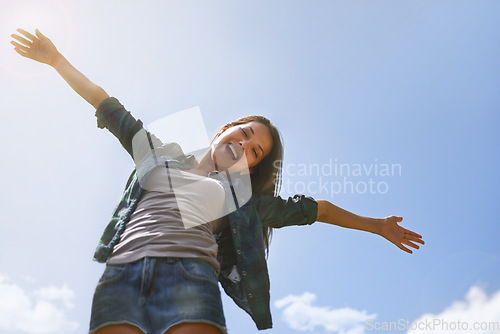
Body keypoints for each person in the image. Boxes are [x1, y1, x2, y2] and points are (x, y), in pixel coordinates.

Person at [11, 28, 425, 334]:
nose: (245, 146)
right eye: (244, 133)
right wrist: (56, 59)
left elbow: (315, 210)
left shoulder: (242, 201)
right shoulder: (160, 154)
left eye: (255, 151)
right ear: (225, 129)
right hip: (123, 274)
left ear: (250, 169)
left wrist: (377, 226)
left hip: (191, 281)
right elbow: (108, 105)